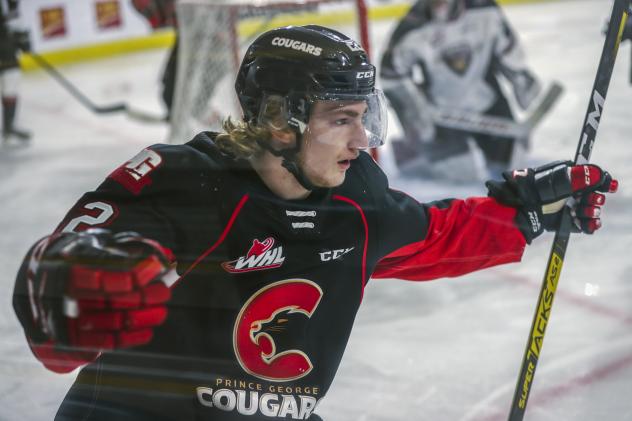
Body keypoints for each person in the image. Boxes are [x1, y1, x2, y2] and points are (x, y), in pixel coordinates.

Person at [12, 25, 617, 421]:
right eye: (341, 119)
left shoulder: (353, 196)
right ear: (280, 121)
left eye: (364, 116)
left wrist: (529, 211)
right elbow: (84, 264)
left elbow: (429, 237)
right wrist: (77, 281)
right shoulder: (183, 182)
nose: (362, 140)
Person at [380, 0, 545, 181]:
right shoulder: (412, 27)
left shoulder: (485, 10)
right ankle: (410, 152)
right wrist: (414, 111)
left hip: (488, 103)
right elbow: (391, 77)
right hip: (443, 116)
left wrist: (521, 78)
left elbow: (507, 48)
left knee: (513, 169)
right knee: (460, 179)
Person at [131, 0, 178, 119]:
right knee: (170, 95)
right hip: (188, 39)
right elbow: (157, 24)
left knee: (173, 96)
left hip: (203, 41)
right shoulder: (140, 4)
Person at [0, 0, 31, 143]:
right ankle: (9, 128)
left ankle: (9, 128)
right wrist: (22, 37)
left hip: (5, 47)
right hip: (5, 49)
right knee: (10, 82)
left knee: (10, 83)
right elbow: (13, 14)